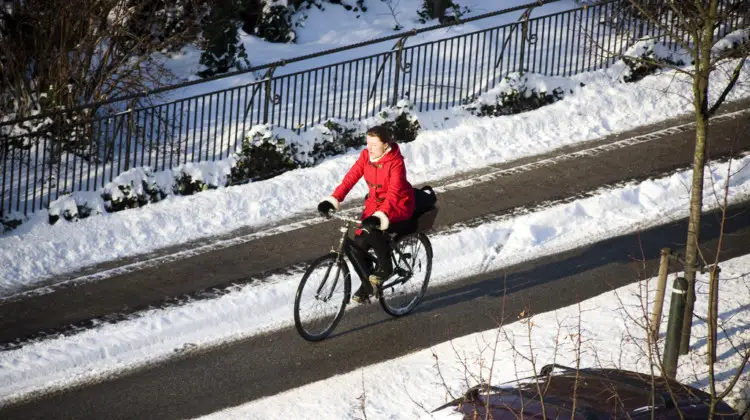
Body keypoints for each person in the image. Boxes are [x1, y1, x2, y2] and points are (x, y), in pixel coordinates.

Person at [317, 125, 415, 303]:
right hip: (373, 207)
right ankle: (368, 283)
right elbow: (350, 178)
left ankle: (386, 267)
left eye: (374, 144)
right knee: (358, 246)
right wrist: (333, 199)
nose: (369, 148)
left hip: (397, 206)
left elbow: (393, 194)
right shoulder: (365, 156)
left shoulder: (396, 163)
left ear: (386, 145)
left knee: (373, 232)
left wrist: (380, 215)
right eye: (367, 143)